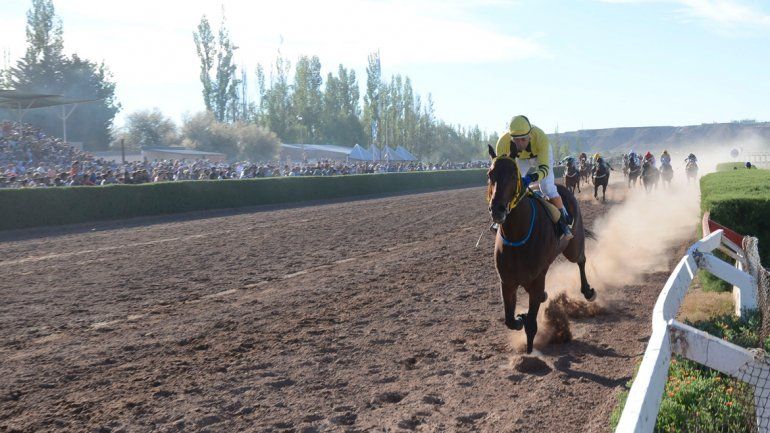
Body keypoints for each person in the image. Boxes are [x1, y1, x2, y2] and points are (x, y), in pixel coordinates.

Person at [494, 115, 573, 239]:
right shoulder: (502, 143)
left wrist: (532, 177)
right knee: (510, 185)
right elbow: (502, 169)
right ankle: (501, 214)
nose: (519, 144)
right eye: (515, 140)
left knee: (547, 187)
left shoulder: (541, 139)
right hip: (521, 159)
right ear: (510, 137)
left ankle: (564, 218)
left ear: (530, 135)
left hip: (540, 156)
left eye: (523, 139)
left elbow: (544, 169)